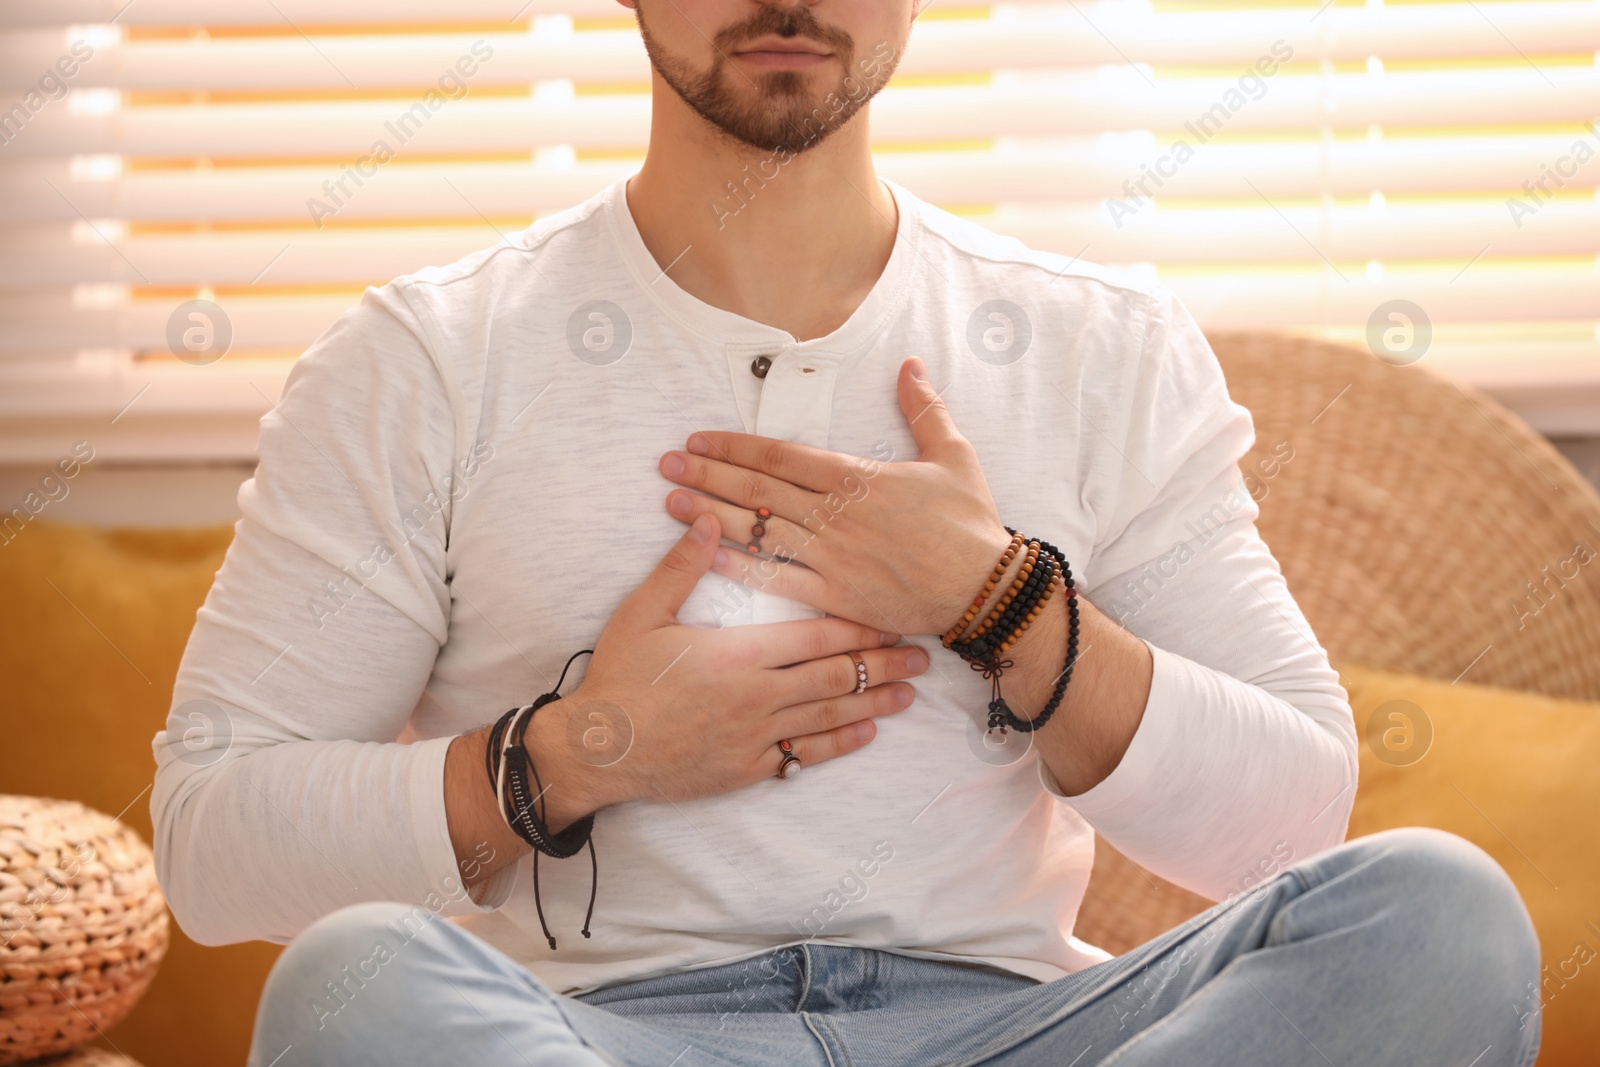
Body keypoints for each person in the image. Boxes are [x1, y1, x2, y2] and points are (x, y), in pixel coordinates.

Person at [150, 0, 1543, 1063]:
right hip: (597, 1037)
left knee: (1437, 913)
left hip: (1015, 1030)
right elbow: (215, 845)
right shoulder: (423, 362)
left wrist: (1002, 604)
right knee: (360, 987)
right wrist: (577, 753)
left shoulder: (1103, 348)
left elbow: (1292, 819)